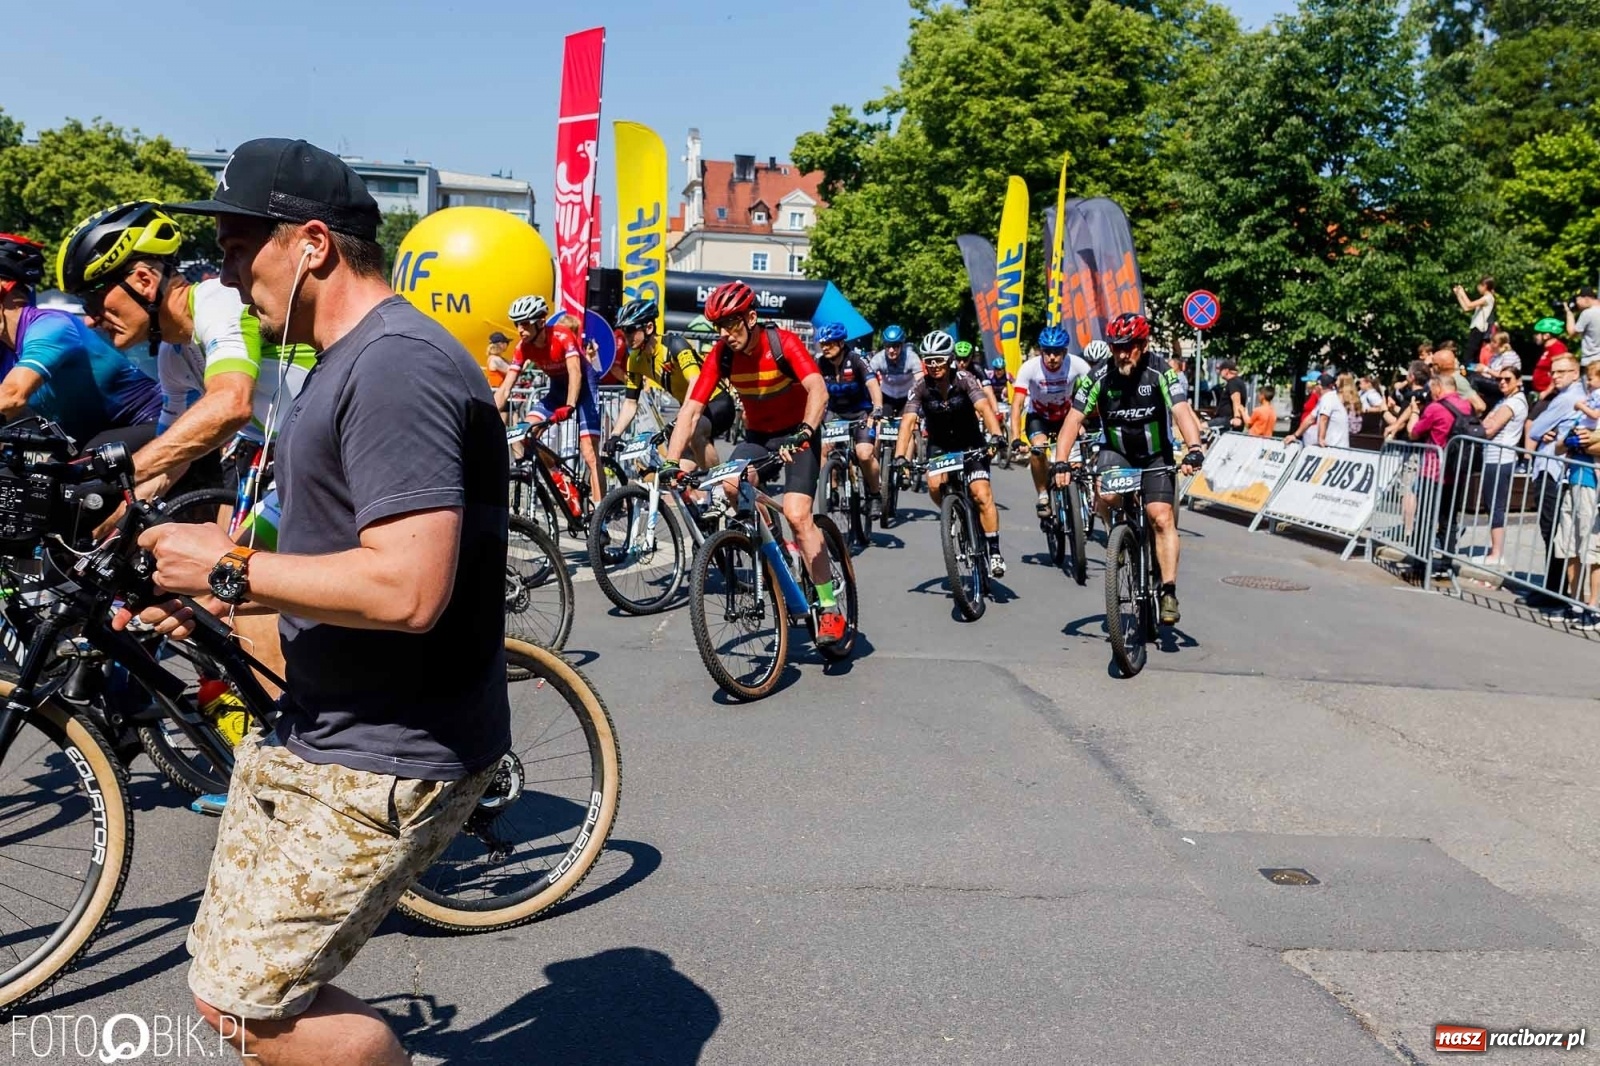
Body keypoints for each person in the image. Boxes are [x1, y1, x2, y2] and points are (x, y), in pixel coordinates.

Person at [119, 136, 508, 1066]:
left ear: (313, 245)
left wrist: (228, 570)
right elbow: (331, 556)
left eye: (239, 246)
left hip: (386, 751)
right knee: (227, 992)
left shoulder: (394, 365)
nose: (222, 272)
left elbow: (407, 587)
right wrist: (222, 601)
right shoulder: (336, 359)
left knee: (257, 1008)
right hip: (318, 724)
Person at [663, 280, 844, 643]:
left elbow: (817, 390)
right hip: (758, 438)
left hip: (798, 433)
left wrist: (806, 431)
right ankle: (776, 546)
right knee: (730, 485)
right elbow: (692, 409)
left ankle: (828, 607)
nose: (725, 333)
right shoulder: (722, 354)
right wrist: (670, 462)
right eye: (719, 326)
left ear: (751, 317)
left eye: (731, 323)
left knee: (797, 514)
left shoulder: (783, 344)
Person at [1052, 312, 1206, 625]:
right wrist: (1060, 460)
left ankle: (1168, 590)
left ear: (1143, 344)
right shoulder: (1099, 376)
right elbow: (1073, 419)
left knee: (1161, 517)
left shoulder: (1160, 370)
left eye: (1129, 346)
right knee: (1105, 497)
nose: (1122, 353)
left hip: (1154, 454)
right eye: (1116, 346)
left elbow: (1181, 411)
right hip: (1117, 452)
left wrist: (1194, 448)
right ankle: (1118, 538)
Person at [0, 233, 163, 449]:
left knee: (90, 457)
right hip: (97, 446)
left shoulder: (52, 326)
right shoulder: (5, 351)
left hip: (154, 423)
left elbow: (11, 396)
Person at [892, 337, 1007, 577]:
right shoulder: (921, 387)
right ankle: (952, 510)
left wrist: (996, 434)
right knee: (935, 486)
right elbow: (908, 422)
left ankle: (994, 551)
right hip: (941, 446)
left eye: (939, 360)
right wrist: (900, 456)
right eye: (929, 361)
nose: (933, 365)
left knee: (981, 493)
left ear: (950, 360)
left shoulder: (965, 380)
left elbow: (984, 408)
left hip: (970, 443)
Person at [493, 294, 605, 511]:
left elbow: (575, 372)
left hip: (583, 390)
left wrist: (570, 405)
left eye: (525, 324)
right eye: (517, 324)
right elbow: (506, 387)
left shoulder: (562, 336)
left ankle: (600, 513)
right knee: (525, 433)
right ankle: (558, 476)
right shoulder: (523, 347)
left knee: (590, 453)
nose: (520, 330)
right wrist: (487, 412)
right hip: (556, 391)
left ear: (541, 322)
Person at [607, 298, 733, 469]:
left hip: (715, 403)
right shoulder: (635, 360)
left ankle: (719, 489)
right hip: (689, 409)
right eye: (623, 332)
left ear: (649, 327)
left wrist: (682, 417)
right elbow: (630, 402)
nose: (626, 337)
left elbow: (695, 382)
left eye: (630, 330)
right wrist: (615, 434)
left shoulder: (675, 345)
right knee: (673, 470)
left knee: (693, 433)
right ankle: (696, 495)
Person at [1522, 355, 1587, 610]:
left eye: (1562, 371)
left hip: (1553, 470)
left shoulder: (1569, 398)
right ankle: (1552, 586)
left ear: (1575, 372)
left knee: (1552, 529)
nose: (1556, 376)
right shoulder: (1565, 397)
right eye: (1553, 372)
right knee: (1551, 529)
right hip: (1550, 468)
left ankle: (1554, 589)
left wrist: (1548, 433)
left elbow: (1536, 429)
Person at [1011, 325, 1090, 516]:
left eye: (1057, 353)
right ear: (1041, 351)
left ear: (1064, 352)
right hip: (1039, 417)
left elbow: (1095, 394)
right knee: (1038, 449)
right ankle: (1043, 495)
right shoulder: (1029, 368)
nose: (1052, 358)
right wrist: (1015, 437)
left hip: (1066, 417)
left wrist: (1090, 423)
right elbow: (1017, 405)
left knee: (1080, 450)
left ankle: (1081, 491)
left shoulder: (1078, 365)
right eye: (1047, 352)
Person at [815, 321, 885, 513]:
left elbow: (872, 385)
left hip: (860, 412)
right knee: (824, 449)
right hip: (835, 413)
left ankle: (874, 494)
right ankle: (832, 487)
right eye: (823, 344)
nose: (825, 347)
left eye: (829, 343)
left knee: (864, 453)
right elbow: (812, 390)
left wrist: (877, 408)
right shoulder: (821, 363)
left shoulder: (856, 360)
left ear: (841, 343)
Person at [1555, 361, 1600, 626]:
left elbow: (1590, 440)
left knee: (1593, 548)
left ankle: (1593, 606)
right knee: (1570, 543)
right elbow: (1561, 445)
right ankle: (1575, 600)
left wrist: (1586, 441)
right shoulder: (1588, 404)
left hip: (1593, 485)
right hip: (1572, 479)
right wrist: (1570, 439)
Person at [1478, 365, 1529, 566]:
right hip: (1491, 457)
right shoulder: (1504, 400)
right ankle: (1494, 549)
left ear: (1518, 381)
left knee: (1495, 505)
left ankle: (1497, 552)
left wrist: (1488, 422)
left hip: (1501, 458)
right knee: (1490, 504)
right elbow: (1486, 423)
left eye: (1508, 379)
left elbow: (1490, 428)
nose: (1502, 382)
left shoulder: (1514, 402)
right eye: (1500, 378)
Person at [868, 323, 922, 418]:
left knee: (908, 421)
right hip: (886, 397)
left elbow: (921, 382)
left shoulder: (912, 357)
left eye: (895, 346)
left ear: (902, 345)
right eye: (888, 346)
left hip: (907, 397)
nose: (891, 350)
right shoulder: (878, 359)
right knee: (880, 421)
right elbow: (868, 380)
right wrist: (876, 405)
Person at [1285, 372, 1348, 448]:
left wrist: (1321, 439)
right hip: (1331, 445)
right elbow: (1310, 419)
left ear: (1320, 387)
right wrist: (1295, 435)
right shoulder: (1325, 398)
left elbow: (1324, 419)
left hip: (1335, 446)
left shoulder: (1328, 398)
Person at [1452, 276, 1496, 370]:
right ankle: (1469, 373)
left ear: (1484, 286)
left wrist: (1462, 292)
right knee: (1472, 356)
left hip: (1479, 329)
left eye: (1479, 286)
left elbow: (1469, 304)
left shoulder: (1488, 298)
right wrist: (1458, 295)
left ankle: (1464, 375)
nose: (1478, 288)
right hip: (1476, 329)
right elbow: (1466, 308)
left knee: (1468, 356)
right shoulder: (1485, 298)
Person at [1565, 287, 1600, 368]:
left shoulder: (1587, 313)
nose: (1576, 303)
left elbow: (1571, 333)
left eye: (1578, 300)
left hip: (1591, 361)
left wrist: (1569, 313)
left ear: (1586, 299)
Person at [1531, 318, 1566, 397]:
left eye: (1537, 333)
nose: (1535, 336)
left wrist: (1547, 391)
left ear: (1546, 335)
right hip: (1541, 392)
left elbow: (1559, 372)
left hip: (1550, 395)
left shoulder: (1557, 349)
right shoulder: (1547, 349)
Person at [1216, 360, 1248, 432]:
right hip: (1228, 419)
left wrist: (1237, 417)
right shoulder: (1237, 381)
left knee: (1202, 426)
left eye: (1221, 370)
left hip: (1228, 420)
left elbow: (1236, 399)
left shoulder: (1233, 382)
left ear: (1226, 371)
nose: (1219, 372)